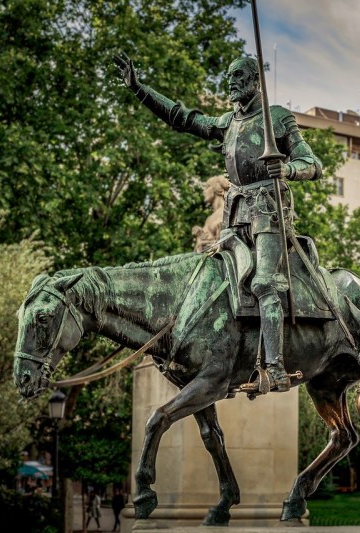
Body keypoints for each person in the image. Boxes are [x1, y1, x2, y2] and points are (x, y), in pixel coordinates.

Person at [112, 53, 322, 392]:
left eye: (239, 76)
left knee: (265, 283)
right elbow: (182, 117)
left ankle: (275, 369)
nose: (232, 82)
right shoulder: (228, 122)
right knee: (208, 280)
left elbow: (313, 163)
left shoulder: (277, 118)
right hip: (235, 215)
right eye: (229, 77)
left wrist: (288, 169)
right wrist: (139, 89)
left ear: (256, 80)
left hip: (269, 211)